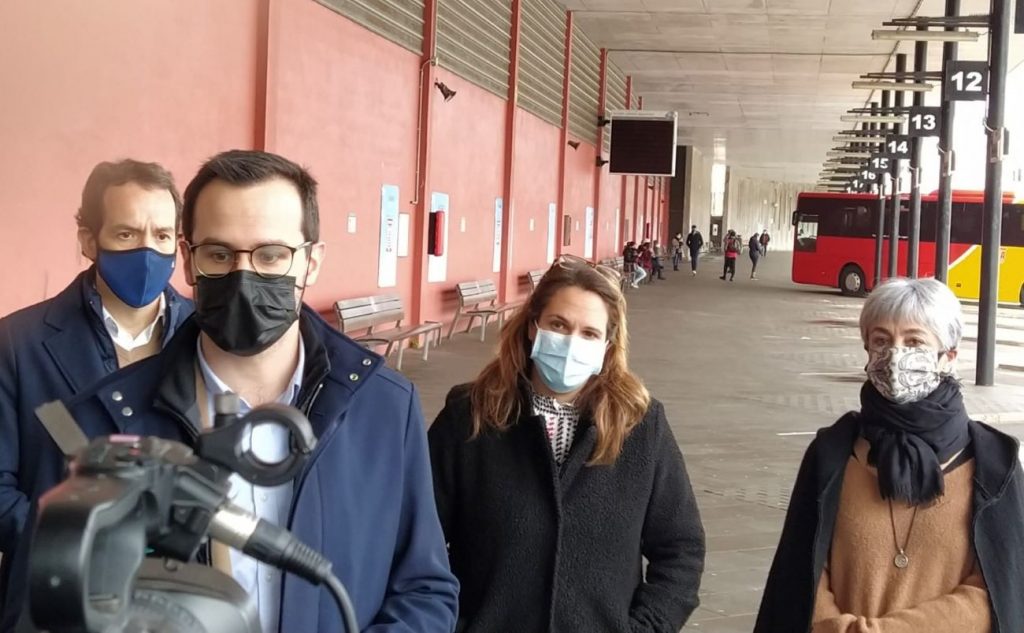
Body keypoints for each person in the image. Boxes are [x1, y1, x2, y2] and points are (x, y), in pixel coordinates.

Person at [55, 151, 459, 633]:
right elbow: (67, 602)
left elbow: (424, 588)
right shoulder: (108, 421)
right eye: (219, 254)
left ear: (311, 261)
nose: (244, 277)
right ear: (188, 260)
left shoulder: (385, 407)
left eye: (271, 255)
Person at [429, 255, 706, 633]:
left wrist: (645, 628)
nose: (571, 342)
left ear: (608, 345)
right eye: (558, 325)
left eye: (589, 333)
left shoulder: (639, 423)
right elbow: (420, 540)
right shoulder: (470, 416)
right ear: (532, 327)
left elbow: (681, 548)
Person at [755, 278, 1024, 633]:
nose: (895, 356)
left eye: (914, 341)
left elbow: (997, 590)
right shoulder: (832, 454)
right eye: (881, 340)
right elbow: (799, 577)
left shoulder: (995, 466)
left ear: (949, 356)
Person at [0, 159, 193, 630]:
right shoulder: (17, 343)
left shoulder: (206, 341)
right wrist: (75, 542)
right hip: (50, 598)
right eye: (127, 234)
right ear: (89, 240)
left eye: (162, 235)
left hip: (176, 599)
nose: (148, 250)